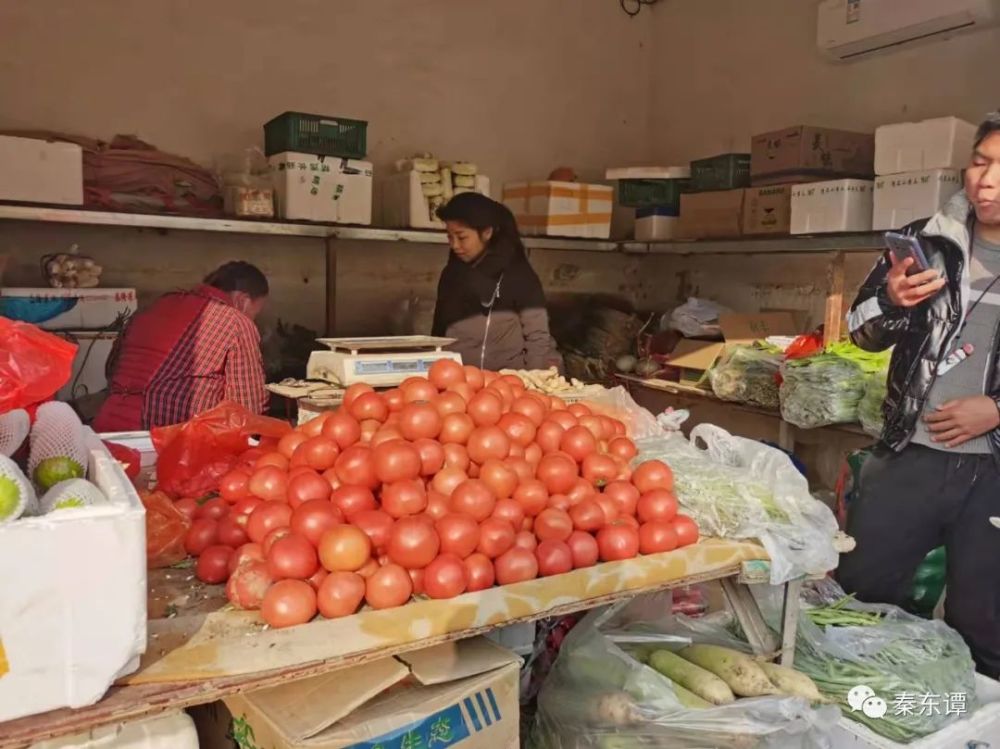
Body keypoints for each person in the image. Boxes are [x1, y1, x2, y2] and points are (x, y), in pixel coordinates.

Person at [839, 112, 1000, 677]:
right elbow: (859, 332)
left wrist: (996, 410)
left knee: (986, 622)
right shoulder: (926, 242)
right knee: (858, 596)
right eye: (980, 162)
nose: (987, 180)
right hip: (910, 454)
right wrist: (890, 300)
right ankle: (856, 705)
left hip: (994, 474)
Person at [93, 261, 269, 431]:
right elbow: (247, 409)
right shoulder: (237, 323)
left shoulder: (153, 305)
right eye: (255, 313)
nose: (253, 320)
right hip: (165, 438)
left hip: (106, 427)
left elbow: (111, 369)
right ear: (242, 301)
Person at [432, 192, 562, 371]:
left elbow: (537, 338)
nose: (454, 245)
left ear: (487, 232)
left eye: (461, 237)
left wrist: (534, 380)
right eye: (449, 237)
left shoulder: (518, 275)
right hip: (458, 379)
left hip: (509, 380)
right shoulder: (451, 275)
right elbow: (438, 334)